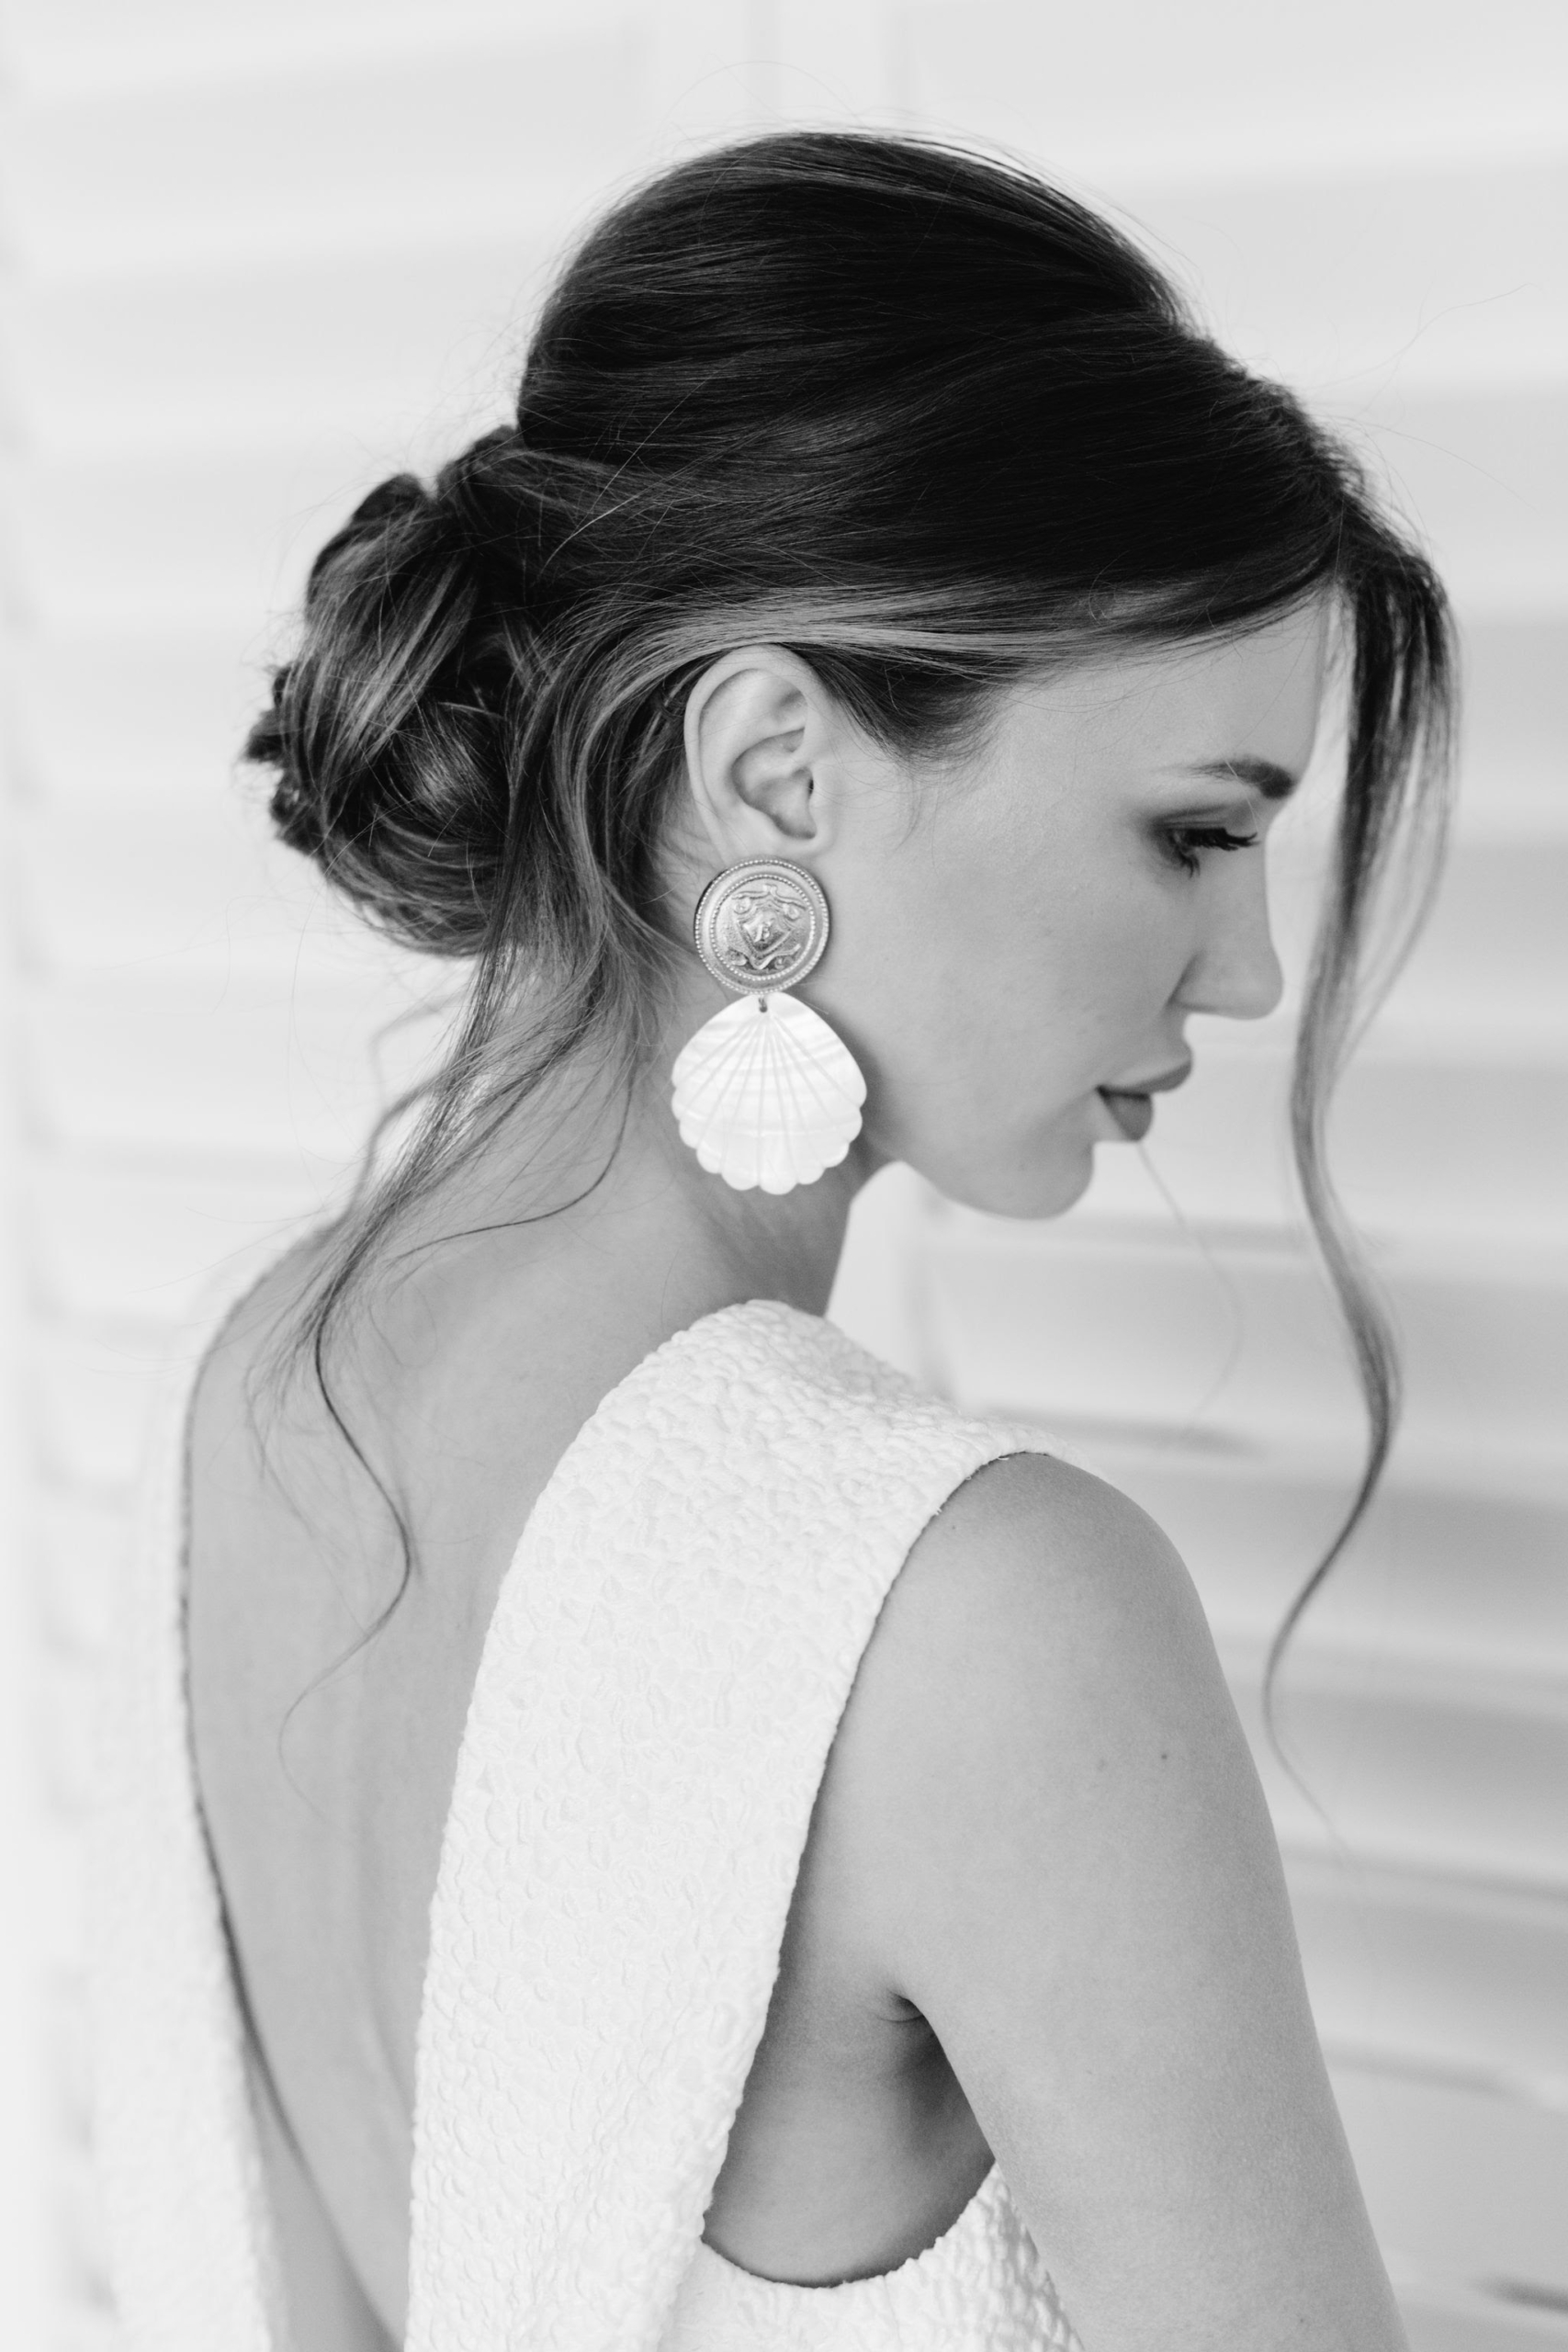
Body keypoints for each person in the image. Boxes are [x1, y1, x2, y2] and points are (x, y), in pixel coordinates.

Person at [90, 130, 1453, 2352]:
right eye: (1194, 832)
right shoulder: (961, 1607)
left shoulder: (245, 1386)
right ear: (777, 773)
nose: (1243, 974)